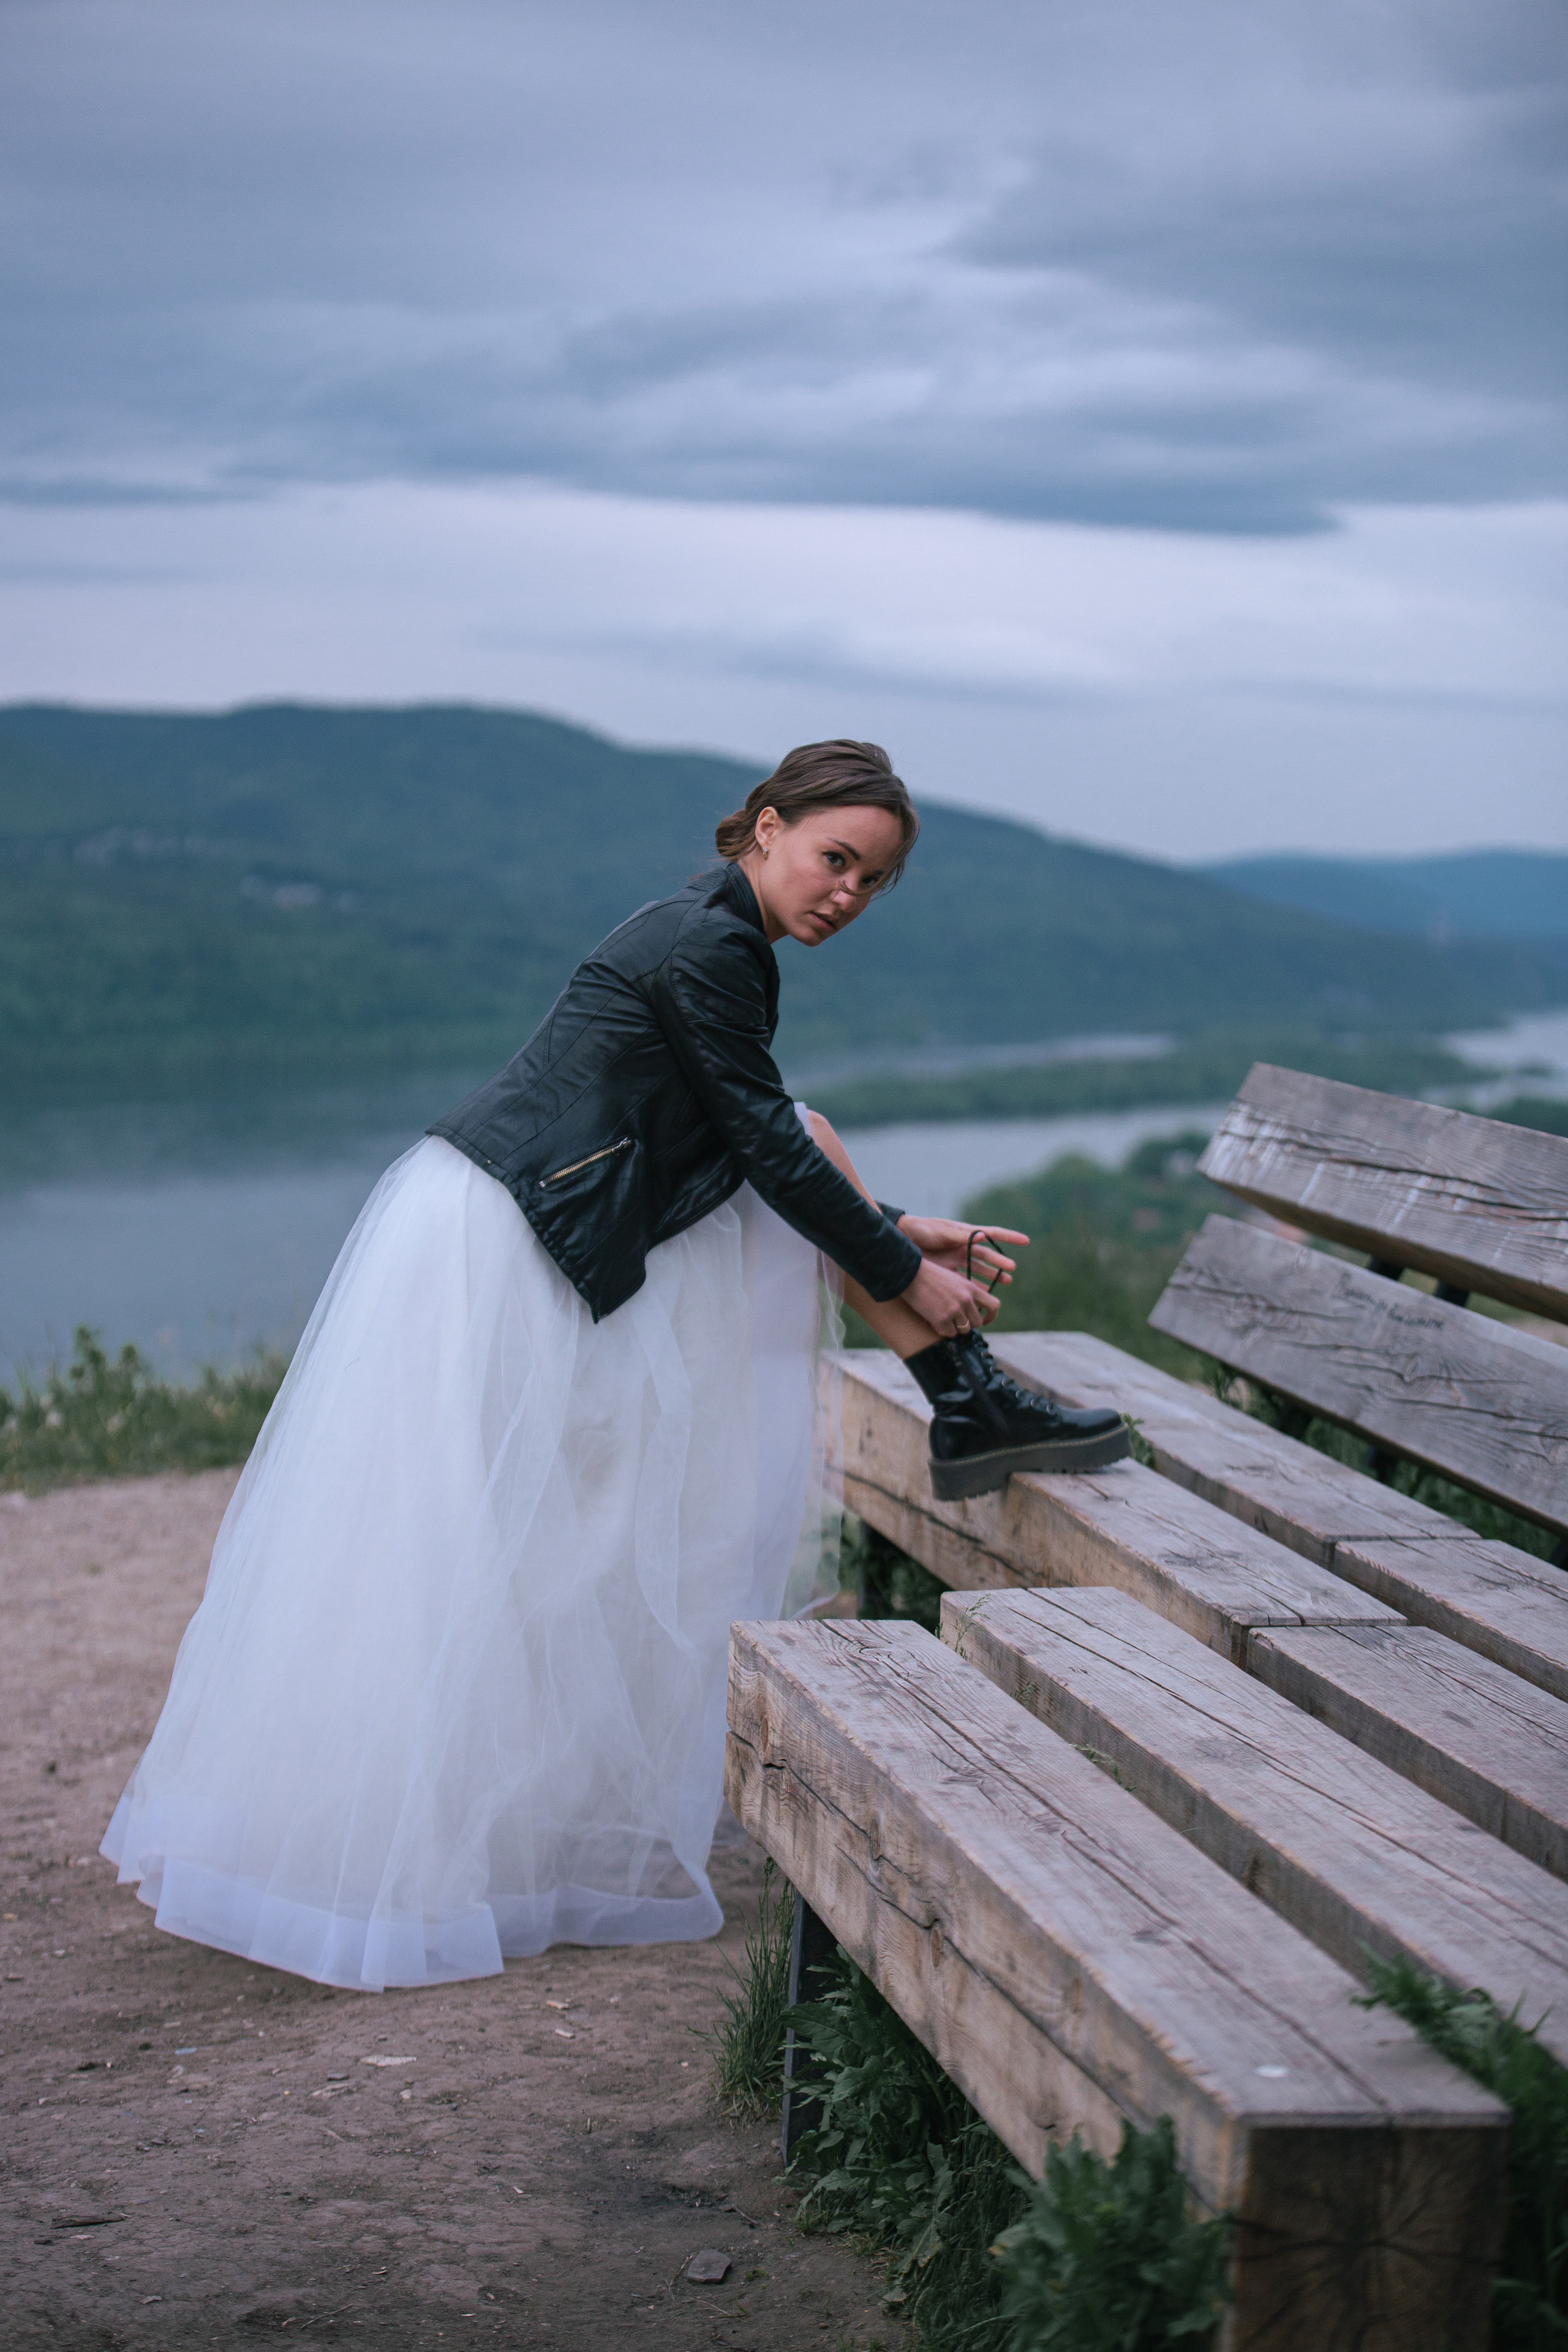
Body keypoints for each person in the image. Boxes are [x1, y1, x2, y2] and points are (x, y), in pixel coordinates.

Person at [102, 740, 1126, 1993]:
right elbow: (759, 1141)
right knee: (459, 1546)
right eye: (833, 859)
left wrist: (891, 1232)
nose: (846, 894)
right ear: (763, 828)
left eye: (873, 881)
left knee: (513, 1527)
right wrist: (906, 1270)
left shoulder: (708, 930)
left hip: (524, 1217)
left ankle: (960, 1395)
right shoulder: (711, 944)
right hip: (504, 1237)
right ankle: (960, 1390)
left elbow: (734, 1144)